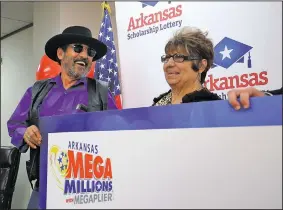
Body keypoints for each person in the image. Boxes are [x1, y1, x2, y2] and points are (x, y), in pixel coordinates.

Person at [7, 26, 118, 209]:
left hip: (86, 190)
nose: (84, 55)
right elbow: (15, 123)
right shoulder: (37, 91)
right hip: (43, 186)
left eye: (89, 52)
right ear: (60, 53)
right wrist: (25, 132)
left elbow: (118, 132)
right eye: (77, 48)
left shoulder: (101, 93)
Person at [152, 26, 221, 106]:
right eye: (167, 58)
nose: (169, 64)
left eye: (179, 57)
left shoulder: (214, 107)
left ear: (201, 65)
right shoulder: (157, 106)